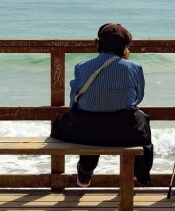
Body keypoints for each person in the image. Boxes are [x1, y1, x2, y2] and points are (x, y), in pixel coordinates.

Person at [50, 23, 153, 187]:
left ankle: (85, 172)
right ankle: (139, 173)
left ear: (97, 43)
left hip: (85, 131)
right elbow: (137, 98)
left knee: (85, 121)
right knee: (142, 120)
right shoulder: (134, 68)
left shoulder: (82, 67)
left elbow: (74, 102)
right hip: (123, 132)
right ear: (125, 47)